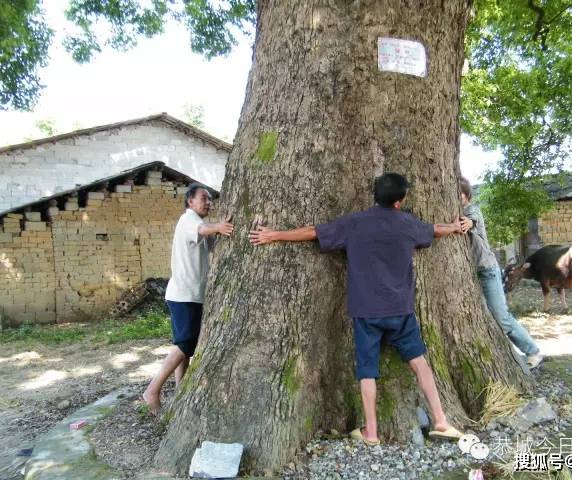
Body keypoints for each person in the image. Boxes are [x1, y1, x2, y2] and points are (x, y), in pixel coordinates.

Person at [249, 173, 466, 445]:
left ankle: (371, 432)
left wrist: (274, 235)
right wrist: (456, 227)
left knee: (367, 370)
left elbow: (313, 232)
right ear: (400, 201)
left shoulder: (355, 223)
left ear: (375, 195)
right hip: (401, 310)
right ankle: (441, 421)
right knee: (419, 362)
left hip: (366, 312)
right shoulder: (407, 224)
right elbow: (434, 229)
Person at [143, 183, 234, 415]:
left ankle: (181, 389)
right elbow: (204, 230)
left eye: (210, 199)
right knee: (185, 344)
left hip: (187, 294)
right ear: (190, 202)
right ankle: (152, 390)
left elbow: (208, 238)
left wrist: (220, 229)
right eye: (204, 198)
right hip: (185, 295)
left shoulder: (197, 225)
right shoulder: (189, 220)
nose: (209, 202)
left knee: (185, 345)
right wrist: (219, 226)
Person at [458, 177, 543, 369]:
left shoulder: (472, 210)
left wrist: (466, 224)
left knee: (500, 316)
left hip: (486, 270)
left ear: (466, 195)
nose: (456, 198)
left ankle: (533, 352)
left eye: (459, 194)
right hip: (473, 274)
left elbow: (471, 221)